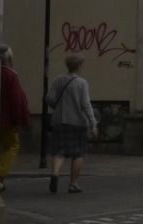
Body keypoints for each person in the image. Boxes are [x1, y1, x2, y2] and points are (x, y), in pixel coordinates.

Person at [46, 53, 99, 193]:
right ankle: (73, 184)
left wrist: (57, 107)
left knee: (59, 151)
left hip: (58, 121)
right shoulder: (82, 83)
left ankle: (55, 173)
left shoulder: (58, 80)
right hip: (77, 122)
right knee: (78, 153)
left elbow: (49, 98)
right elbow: (86, 104)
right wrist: (93, 123)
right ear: (80, 66)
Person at [0, 49, 31, 182]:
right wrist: (18, 120)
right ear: (10, 59)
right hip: (7, 119)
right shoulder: (11, 75)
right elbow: (16, 100)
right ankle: (0, 173)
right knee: (13, 145)